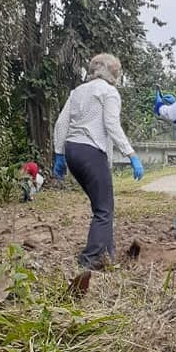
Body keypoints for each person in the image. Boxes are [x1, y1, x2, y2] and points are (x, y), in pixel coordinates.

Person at [53, 53, 144, 269]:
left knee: (101, 205)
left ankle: (107, 252)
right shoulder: (109, 92)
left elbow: (61, 123)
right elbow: (111, 124)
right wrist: (131, 154)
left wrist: (59, 154)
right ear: (112, 72)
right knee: (104, 209)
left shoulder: (78, 91)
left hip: (73, 151)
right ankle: (91, 259)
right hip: (91, 152)